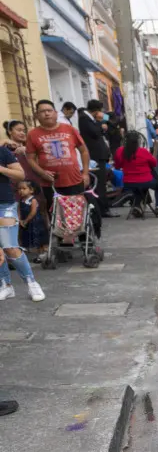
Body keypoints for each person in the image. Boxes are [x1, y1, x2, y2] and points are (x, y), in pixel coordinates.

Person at [25, 99, 101, 245]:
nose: (46, 114)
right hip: (50, 183)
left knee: (78, 211)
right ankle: (60, 244)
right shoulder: (33, 134)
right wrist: (41, 172)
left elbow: (84, 151)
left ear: (55, 113)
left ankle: (85, 241)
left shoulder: (69, 129)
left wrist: (85, 173)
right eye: (42, 111)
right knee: (55, 214)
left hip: (74, 179)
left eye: (49, 110)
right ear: (37, 115)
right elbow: (30, 158)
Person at [0, 138, 44, 302]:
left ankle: (32, 283)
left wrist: (1, 169)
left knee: (10, 247)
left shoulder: (1, 151)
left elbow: (20, 174)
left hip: (3, 204)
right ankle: (5, 285)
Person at [113, 131, 158, 218]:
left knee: (138, 187)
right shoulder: (143, 151)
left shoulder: (119, 151)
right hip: (145, 180)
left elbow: (117, 166)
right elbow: (154, 163)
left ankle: (137, 206)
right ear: (138, 142)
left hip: (128, 182)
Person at [79, 100, 113, 217]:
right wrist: (101, 125)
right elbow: (94, 133)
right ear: (96, 110)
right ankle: (102, 209)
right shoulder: (84, 118)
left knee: (102, 183)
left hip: (100, 155)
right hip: (95, 156)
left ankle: (103, 207)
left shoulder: (91, 119)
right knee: (99, 184)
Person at [17, 180, 48, 258]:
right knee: (28, 237)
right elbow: (19, 211)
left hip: (35, 222)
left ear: (31, 190)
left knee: (38, 238)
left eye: (24, 188)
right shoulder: (21, 201)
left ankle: (42, 253)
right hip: (25, 222)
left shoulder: (33, 200)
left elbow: (33, 212)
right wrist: (20, 220)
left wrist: (26, 220)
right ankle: (34, 253)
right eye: (19, 189)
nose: (21, 191)